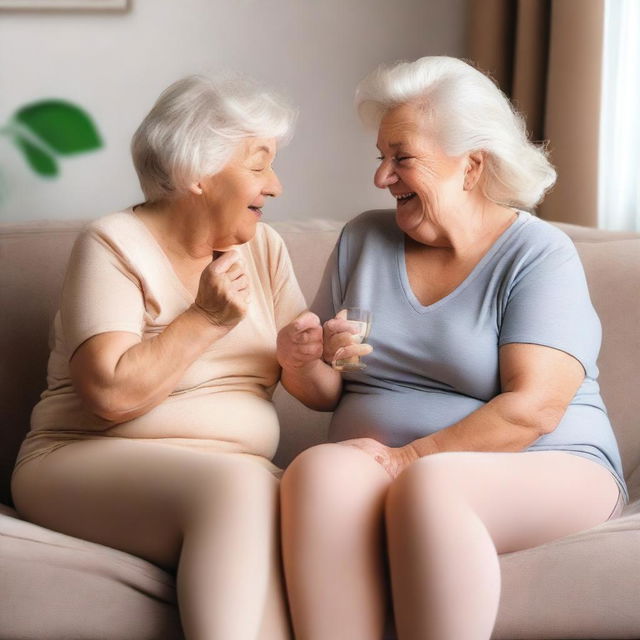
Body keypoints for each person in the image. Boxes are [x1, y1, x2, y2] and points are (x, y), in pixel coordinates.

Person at [276, 56, 628, 640]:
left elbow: (533, 409)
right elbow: (325, 391)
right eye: (381, 157)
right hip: (389, 465)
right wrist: (301, 360)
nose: (381, 177)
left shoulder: (537, 255)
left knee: (430, 488)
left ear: (470, 167)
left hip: (547, 465)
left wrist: (408, 458)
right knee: (316, 472)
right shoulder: (363, 239)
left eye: (402, 158)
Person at [11, 74, 305, 640]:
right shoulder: (113, 242)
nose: (276, 185)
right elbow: (112, 396)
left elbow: (313, 379)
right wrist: (206, 320)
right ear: (198, 173)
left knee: (300, 498)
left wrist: (322, 354)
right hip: (81, 455)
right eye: (259, 163)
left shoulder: (263, 247)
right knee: (242, 488)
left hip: (224, 475)